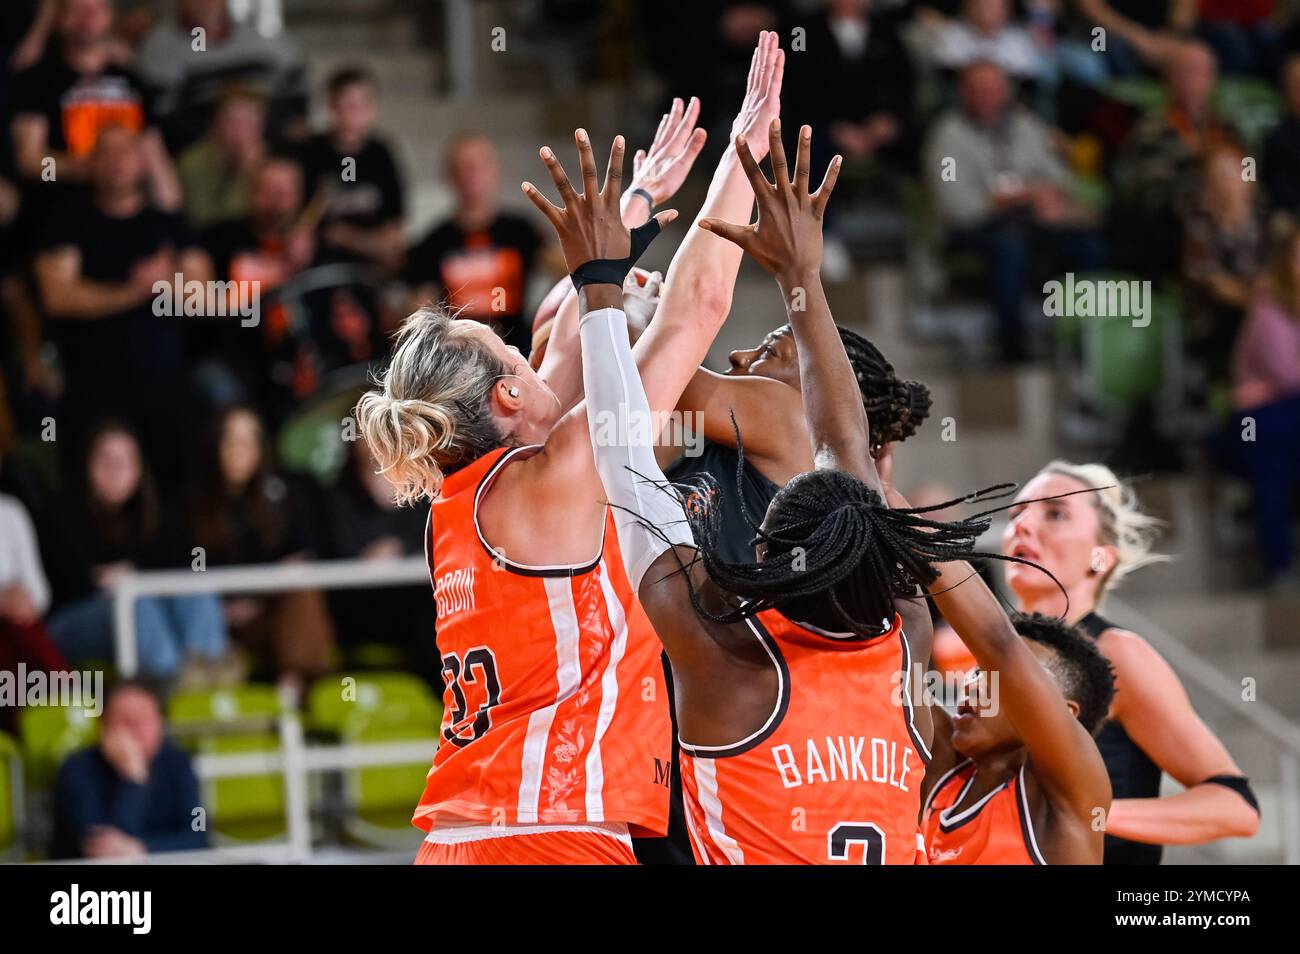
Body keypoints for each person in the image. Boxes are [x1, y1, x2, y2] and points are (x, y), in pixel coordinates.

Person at [569, 118, 1051, 864]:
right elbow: (845, 451)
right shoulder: (906, 636)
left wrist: (604, 291)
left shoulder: (724, 661)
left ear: (765, 551)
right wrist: (802, 279)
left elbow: (617, 443)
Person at [357, 33, 780, 866]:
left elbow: (564, 341)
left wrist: (634, 210)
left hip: (456, 838)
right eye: (513, 352)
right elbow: (696, 308)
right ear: (508, 395)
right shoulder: (566, 469)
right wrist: (745, 149)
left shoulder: (472, 497)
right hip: (551, 830)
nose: (533, 350)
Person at [1002, 460, 1261, 863]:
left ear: (1100, 558)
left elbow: (1235, 806)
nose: (1023, 524)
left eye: (1055, 513)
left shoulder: (1117, 652)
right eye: (1016, 513)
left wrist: (1090, 815)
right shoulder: (989, 655)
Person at [32, 124, 210, 479]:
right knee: (93, 484)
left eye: (126, 151)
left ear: (143, 163)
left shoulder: (167, 223)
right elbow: (58, 297)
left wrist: (165, 284)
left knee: (173, 479)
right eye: (106, 152)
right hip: (91, 382)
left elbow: (203, 295)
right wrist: (135, 290)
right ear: (91, 163)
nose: (116, 161)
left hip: (164, 381)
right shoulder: (65, 221)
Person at [915, 583, 1115, 863]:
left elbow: (1000, 644)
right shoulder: (946, 777)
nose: (973, 685)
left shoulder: (1063, 797)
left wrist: (924, 545)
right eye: (977, 671)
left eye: (1005, 681)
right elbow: (904, 661)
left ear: (1063, 714)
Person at [923, 60, 1104, 361]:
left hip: (1029, 221)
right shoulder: (947, 136)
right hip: (972, 229)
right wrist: (1018, 197)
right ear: (964, 93)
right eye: (979, 90)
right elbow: (957, 207)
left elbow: (1059, 177)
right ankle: (1012, 345)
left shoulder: (1026, 125)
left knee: (1086, 244)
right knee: (1010, 245)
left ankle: (1084, 340)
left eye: (995, 89)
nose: (989, 96)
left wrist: (1048, 196)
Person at [41, 420, 229, 681]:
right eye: (106, 460)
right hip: (70, 622)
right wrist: (126, 581)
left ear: (139, 468)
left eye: (126, 461)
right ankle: (163, 695)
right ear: (86, 465)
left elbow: (179, 568)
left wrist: (133, 575)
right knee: (133, 602)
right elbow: (67, 583)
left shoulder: (159, 514)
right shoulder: (61, 512)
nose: (116, 470)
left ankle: (207, 691)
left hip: (146, 608)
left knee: (197, 591)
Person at [187, 404, 334, 687]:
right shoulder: (191, 504)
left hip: (267, 614)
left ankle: (290, 695)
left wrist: (257, 598)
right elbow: (185, 569)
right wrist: (222, 606)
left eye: (250, 439)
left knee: (305, 595)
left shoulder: (281, 498)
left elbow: (299, 558)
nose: (241, 449)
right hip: (211, 620)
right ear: (215, 444)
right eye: (231, 439)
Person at [401, 132, 558, 355]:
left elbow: (568, 269)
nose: (471, 175)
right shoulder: (434, 241)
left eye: (479, 166)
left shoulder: (521, 230)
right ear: (450, 176)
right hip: (458, 357)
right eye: (463, 167)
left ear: (495, 171)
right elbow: (420, 309)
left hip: (518, 351)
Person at [52, 680, 207, 858]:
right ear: (102, 726)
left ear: (160, 723)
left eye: (143, 719)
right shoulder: (76, 770)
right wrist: (134, 780)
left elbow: (199, 833)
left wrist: (145, 849)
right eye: (123, 720)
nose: (134, 729)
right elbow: (99, 846)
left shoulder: (180, 763)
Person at [134, 0, 308, 152]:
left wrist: (294, 119)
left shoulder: (257, 36)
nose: (207, 2)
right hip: (201, 148)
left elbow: (297, 80)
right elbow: (160, 114)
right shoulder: (163, 44)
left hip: (269, 142)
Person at [1231, 229, 1300, 583]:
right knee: (1271, 458)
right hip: (1256, 421)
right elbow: (1287, 374)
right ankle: (1278, 562)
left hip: (1285, 412)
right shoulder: (1269, 309)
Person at [297, 66, 405, 273]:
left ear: (373, 109)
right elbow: (299, 225)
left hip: (371, 263)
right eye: (347, 105)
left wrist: (350, 239)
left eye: (361, 105)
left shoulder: (382, 154)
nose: (354, 114)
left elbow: (394, 228)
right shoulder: (310, 152)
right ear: (332, 107)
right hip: (320, 262)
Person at [177, 85, 267, 229]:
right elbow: (201, 218)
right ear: (217, 124)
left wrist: (258, 173)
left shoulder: (272, 161)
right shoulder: (193, 162)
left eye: (250, 123)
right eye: (234, 123)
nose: (241, 132)